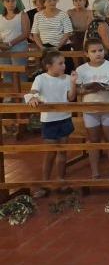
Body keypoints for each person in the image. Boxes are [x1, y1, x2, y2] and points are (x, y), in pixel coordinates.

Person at [25, 50, 78, 198]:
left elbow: (71, 97)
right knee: (50, 152)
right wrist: (32, 98)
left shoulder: (67, 78)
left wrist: (73, 83)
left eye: (64, 63)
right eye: (60, 63)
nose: (63, 66)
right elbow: (33, 92)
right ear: (49, 66)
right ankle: (45, 181)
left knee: (62, 151)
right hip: (49, 120)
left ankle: (60, 180)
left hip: (65, 117)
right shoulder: (41, 79)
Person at [76, 38, 109, 179]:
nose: (98, 54)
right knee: (93, 140)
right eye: (94, 51)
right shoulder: (81, 69)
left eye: (100, 50)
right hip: (90, 109)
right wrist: (87, 89)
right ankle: (95, 172)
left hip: (108, 106)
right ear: (86, 53)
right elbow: (77, 90)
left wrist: (106, 87)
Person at [31, 0, 75, 72]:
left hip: (62, 47)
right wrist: (42, 47)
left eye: (54, 0)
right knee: (48, 71)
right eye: (49, 1)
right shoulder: (37, 15)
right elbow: (35, 34)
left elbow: (67, 33)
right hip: (45, 48)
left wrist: (57, 47)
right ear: (43, 3)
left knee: (65, 71)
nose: (52, 2)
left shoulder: (63, 14)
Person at [0, 0, 30, 82]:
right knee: (6, 73)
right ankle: (9, 95)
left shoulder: (22, 15)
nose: (10, 3)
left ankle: (23, 96)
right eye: (7, 1)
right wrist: (1, 44)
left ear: (16, 2)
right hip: (3, 48)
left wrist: (10, 43)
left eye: (13, 1)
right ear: (3, 3)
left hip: (19, 47)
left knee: (20, 73)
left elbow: (26, 33)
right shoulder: (1, 17)